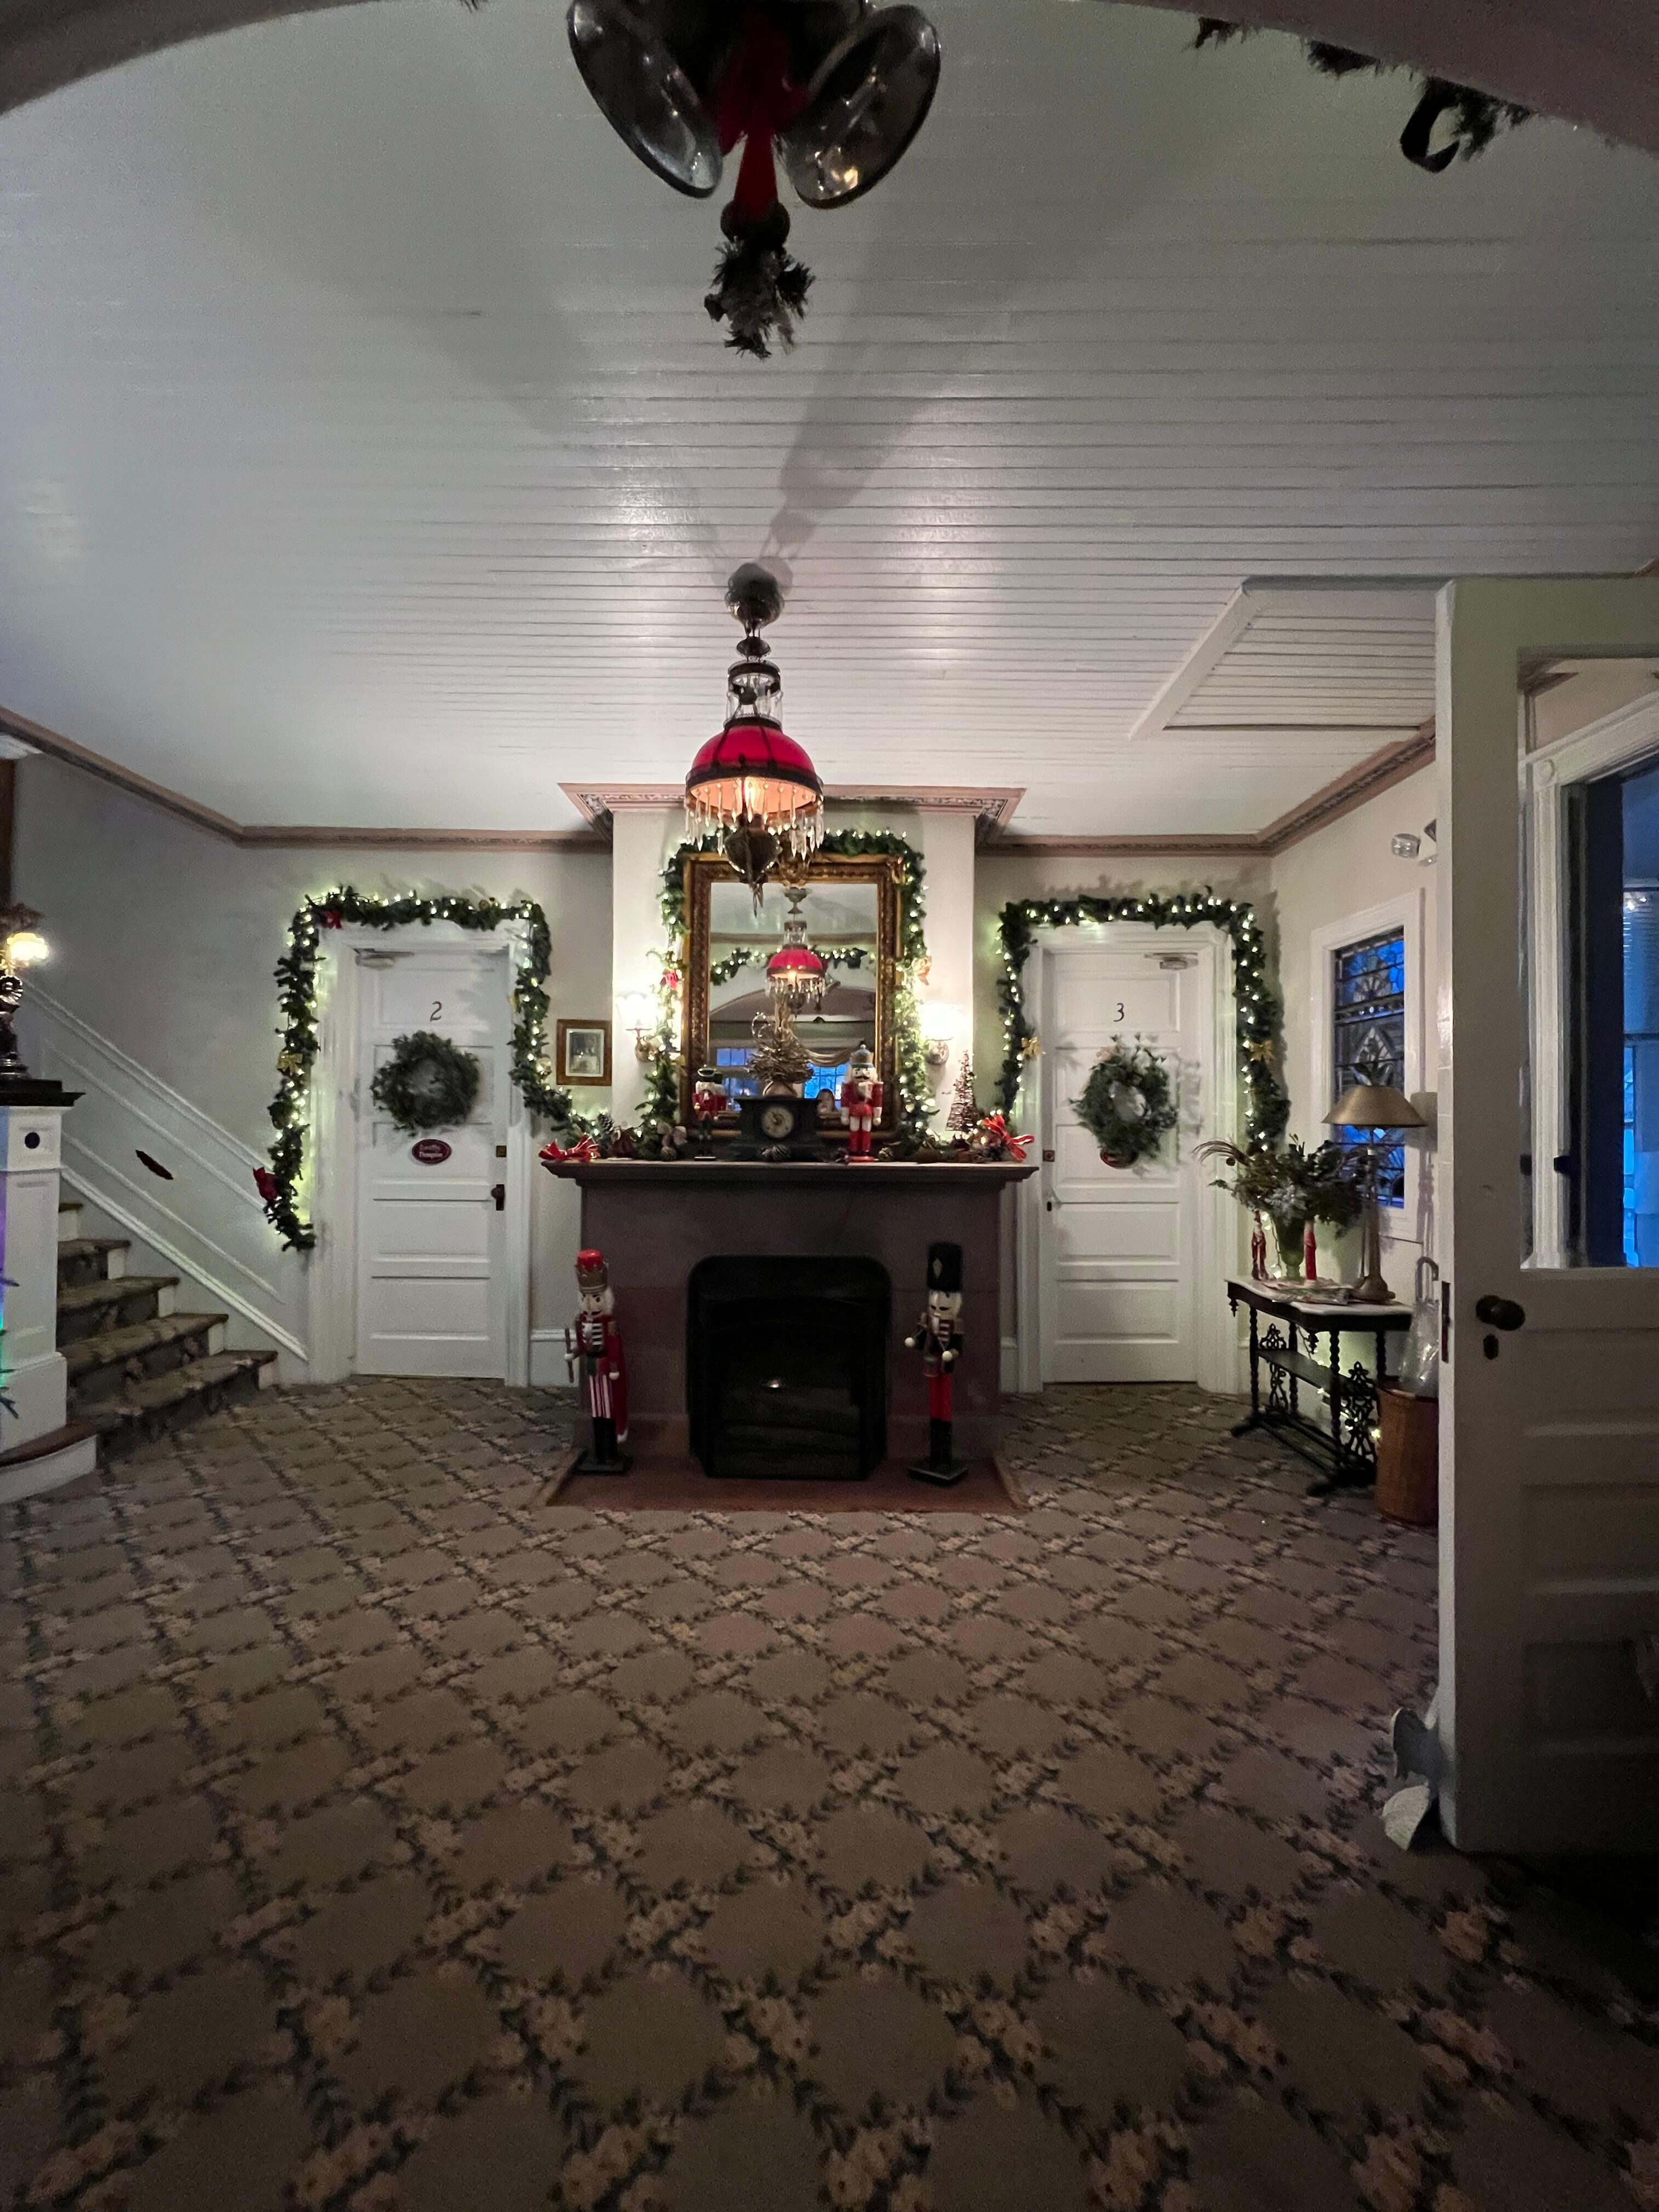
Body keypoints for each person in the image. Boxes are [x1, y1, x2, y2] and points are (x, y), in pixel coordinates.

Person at [905, 1240, 966, 1485]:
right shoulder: (928, 1320)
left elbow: (958, 1346)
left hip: (945, 1370)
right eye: (934, 1299)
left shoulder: (955, 1325)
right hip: (931, 1367)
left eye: (944, 1300)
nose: (938, 1306)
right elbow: (922, 1335)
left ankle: (945, 1457)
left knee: (945, 1410)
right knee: (934, 1409)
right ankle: (933, 1455)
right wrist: (914, 1341)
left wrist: (952, 1354)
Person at [566, 1248, 629, 1472]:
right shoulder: (581, 1322)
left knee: (608, 1412)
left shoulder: (609, 1323)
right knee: (596, 1412)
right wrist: (574, 1353)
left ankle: (610, 1452)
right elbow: (583, 1345)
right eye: (586, 1298)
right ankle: (599, 1452)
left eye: (596, 1298)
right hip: (592, 1371)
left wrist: (613, 1368)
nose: (590, 1304)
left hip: (606, 1372)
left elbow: (614, 1347)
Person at [838, 1042, 884, 1160]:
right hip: (854, 1110)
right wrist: (844, 1115)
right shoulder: (848, 1087)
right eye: (858, 1071)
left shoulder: (875, 1087)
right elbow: (845, 1100)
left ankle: (865, 1150)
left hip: (867, 1111)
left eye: (867, 1071)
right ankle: (854, 1150)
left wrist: (877, 1116)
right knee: (854, 1129)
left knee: (866, 1129)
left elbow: (877, 1101)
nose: (863, 1074)